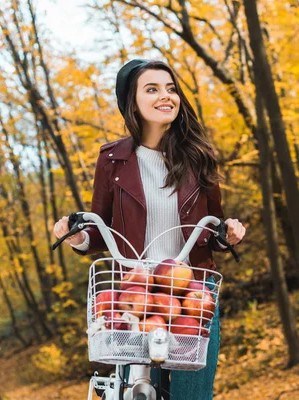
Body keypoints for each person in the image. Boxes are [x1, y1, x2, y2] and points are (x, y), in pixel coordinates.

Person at [53, 59, 246, 400]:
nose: (165, 96)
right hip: (137, 293)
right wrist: (77, 236)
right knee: (136, 391)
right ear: (133, 101)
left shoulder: (199, 156)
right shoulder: (112, 159)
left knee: (192, 396)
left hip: (192, 294)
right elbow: (102, 227)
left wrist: (228, 232)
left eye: (171, 88)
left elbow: (212, 227)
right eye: (152, 89)